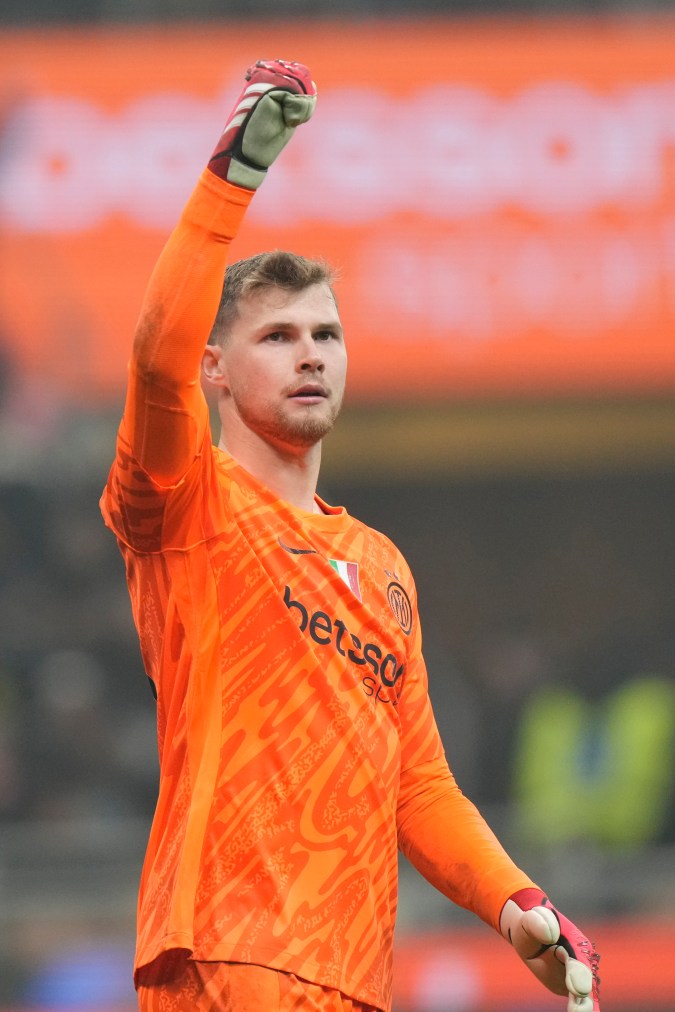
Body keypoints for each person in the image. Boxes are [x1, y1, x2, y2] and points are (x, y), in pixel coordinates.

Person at [101, 59, 600, 1012]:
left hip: (354, 974)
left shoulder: (382, 566)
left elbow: (418, 785)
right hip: (224, 951)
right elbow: (151, 362)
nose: (310, 356)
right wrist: (231, 179)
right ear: (216, 369)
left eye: (326, 336)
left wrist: (514, 900)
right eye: (278, 336)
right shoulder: (188, 504)